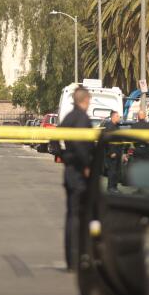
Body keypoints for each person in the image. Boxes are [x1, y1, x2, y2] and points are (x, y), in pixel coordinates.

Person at [59, 87, 93, 272]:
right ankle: (77, 258)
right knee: (79, 216)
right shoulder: (81, 118)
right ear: (85, 100)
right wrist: (86, 164)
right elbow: (81, 144)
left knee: (71, 215)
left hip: (70, 170)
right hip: (79, 172)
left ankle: (71, 259)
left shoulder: (69, 117)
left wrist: (63, 156)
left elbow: (54, 138)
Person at [103, 111, 122, 192]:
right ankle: (110, 187)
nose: (119, 118)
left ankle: (114, 187)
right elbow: (107, 141)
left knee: (116, 171)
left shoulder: (116, 126)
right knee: (112, 171)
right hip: (112, 153)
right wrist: (111, 152)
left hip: (118, 152)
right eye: (118, 116)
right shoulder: (109, 126)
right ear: (113, 117)